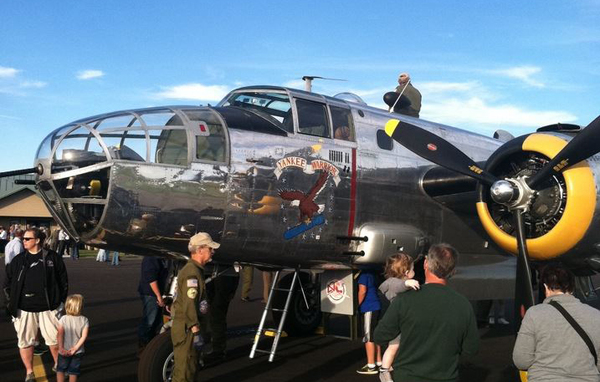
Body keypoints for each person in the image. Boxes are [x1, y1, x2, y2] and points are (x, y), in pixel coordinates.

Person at [374, 244, 479, 382]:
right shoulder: (463, 304)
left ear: (425, 264)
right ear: (453, 271)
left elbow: (380, 336)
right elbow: (471, 349)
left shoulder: (404, 300)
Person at [513, 263, 600, 381]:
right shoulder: (596, 315)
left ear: (545, 286)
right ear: (572, 287)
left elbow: (521, 361)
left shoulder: (534, 314)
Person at [3, 228, 69, 382]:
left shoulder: (53, 258)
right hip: (23, 309)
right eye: (23, 239)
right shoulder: (18, 260)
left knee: (54, 341)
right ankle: (29, 372)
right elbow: (7, 283)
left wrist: (60, 301)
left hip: (49, 308)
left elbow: (63, 281)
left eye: (27, 239)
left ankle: (58, 365)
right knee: (25, 342)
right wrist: (10, 303)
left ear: (37, 240)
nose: (23, 241)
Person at [171, 232, 219, 382]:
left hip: (188, 329)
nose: (212, 252)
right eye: (210, 248)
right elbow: (190, 303)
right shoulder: (192, 272)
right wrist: (195, 329)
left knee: (190, 369)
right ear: (199, 250)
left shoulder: (195, 270)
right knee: (185, 373)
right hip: (188, 331)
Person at [377, 253, 420, 382]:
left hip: (401, 322)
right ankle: (384, 370)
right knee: (394, 346)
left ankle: (390, 367)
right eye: (412, 269)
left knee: (399, 346)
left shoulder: (391, 283)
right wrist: (408, 283)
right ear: (406, 272)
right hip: (397, 323)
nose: (414, 271)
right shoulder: (394, 283)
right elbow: (397, 285)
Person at [205, 266, 240, 365]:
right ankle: (218, 349)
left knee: (217, 314)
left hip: (224, 276)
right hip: (220, 275)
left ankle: (218, 350)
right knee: (215, 314)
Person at [137, 256, 169, 354]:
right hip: (150, 293)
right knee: (149, 321)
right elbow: (151, 279)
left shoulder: (163, 257)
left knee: (156, 321)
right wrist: (158, 296)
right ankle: (143, 348)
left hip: (156, 292)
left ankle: (150, 345)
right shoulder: (151, 258)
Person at [57, 294, 89, 382]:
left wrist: (60, 348)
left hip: (64, 350)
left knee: (60, 370)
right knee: (73, 371)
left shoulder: (63, 319)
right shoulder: (84, 320)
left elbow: (59, 334)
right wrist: (75, 348)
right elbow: (84, 336)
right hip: (78, 351)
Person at [356, 269, 383, 375]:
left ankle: (371, 365)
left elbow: (362, 291)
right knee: (375, 335)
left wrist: (357, 305)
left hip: (369, 307)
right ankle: (379, 361)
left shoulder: (363, 275)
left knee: (368, 336)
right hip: (376, 306)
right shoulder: (373, 273)